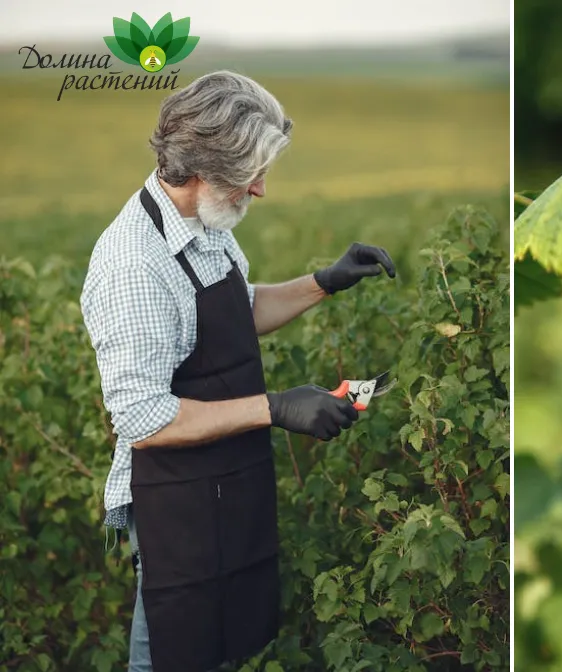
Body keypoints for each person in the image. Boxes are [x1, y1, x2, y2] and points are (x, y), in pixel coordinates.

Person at [80, 70, 396, 672]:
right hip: (176, 503)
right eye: (251, 175)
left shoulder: (201, 222)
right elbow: (143, 420)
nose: (261, 192)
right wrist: (275, 407)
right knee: (171, 653)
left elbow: (235, 309)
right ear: (204, 167)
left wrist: (323, 283)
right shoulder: (133, 264)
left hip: (226, 482)